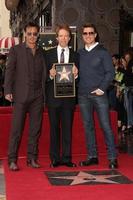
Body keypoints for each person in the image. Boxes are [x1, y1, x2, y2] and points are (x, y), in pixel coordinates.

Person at [4, 22, 47, 171]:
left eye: (35, 34)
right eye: (29, 34)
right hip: (21, 95)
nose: (32, 37)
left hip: (37, 96)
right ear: (24, 34)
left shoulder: (41, 52)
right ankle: (12, 160)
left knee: (35, 129)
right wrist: (7, 90)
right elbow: (9, 71)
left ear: (38, 35)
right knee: (16, 129)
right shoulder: (16, 50)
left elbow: (45, 74)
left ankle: (32, 158)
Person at [77, 23, 118, 169]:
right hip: (83, 95)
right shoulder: (79, 53)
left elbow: (110, 73)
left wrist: (102, 88)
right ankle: (92, 156)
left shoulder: (103, 52)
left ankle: (113, 157)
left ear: (95, 35)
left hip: (99, 95)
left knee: (106, 126)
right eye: (85, 33)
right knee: (88, 127)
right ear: (82, 36)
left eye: (91, 33)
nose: (88, 35)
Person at [45, 24, 78, 168]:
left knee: (67, 129)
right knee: (54, 129)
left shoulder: (76, 55)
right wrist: (50, 75)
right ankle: (55, 158)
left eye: (66, 36)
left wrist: (76, 75)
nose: (64, 38)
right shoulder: (48, 54)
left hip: (69, 99)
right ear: (57, 37)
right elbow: (43, 77)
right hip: (53, 98)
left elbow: (79, 79)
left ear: (70, 38)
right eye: (61, 35)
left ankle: (66, 158)